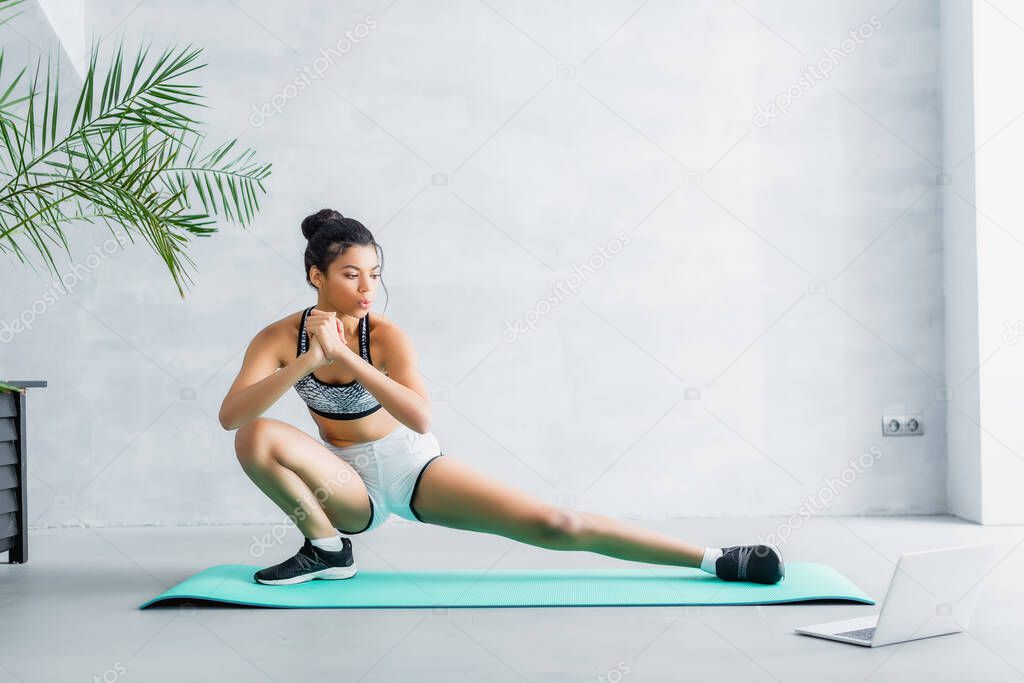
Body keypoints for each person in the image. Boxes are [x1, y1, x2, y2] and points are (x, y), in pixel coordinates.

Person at [219, 209, 785, 586]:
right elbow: (231, 417)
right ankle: (328, 549)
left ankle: (715, 559)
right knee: (256, 433)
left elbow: (418, 417)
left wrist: (345, 360)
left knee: (554, 524)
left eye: (374, 273)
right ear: (316, 275)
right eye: (350, 274)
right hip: (341, 487)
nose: (368, 288)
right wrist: (307, 363)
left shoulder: (384, 336)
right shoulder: (279, 339)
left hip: (411, 470)